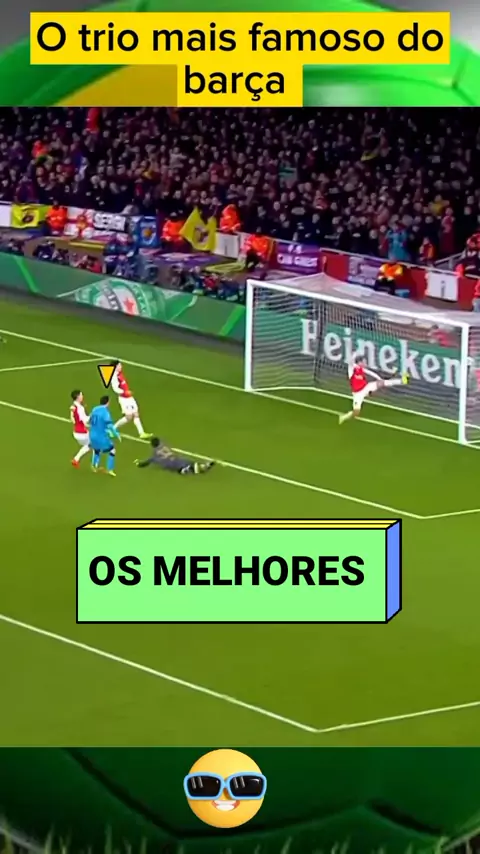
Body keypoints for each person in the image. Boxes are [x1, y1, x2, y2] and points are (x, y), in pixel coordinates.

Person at [339, 358, 408, 425]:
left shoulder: (362, 370)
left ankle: (402, 381)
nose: (365, 364)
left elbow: (371, 373)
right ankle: (343, 417)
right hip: (358, 394)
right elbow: (350, 364)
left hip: (366, 388)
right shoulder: (352, 372)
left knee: (381, 383)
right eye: (363, 362)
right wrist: (355, 360)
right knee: (356, 412)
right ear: (359, 363)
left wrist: (379, 378)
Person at [109, 360, 152, 440]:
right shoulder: (114, 377)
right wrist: (125, 392)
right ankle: (113, 428)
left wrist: (127, 392)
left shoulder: (120, 373)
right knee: (129, 417)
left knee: (136, 413)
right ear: (115, 367)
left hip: (129, 397)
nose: (121, 366)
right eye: (119, 365)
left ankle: (141, 433)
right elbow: (115, 389)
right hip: (124, 399)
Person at [134, 437, 215, 474]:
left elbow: (146, 463)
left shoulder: (154, 454)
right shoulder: (164, 446)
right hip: (176, 459)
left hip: (171, 464)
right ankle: (203, 466)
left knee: (182, 469)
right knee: (189, 463)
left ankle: (189, 470)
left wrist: (138, 464)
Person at [89, 395, 120, 476]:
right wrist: (116, 434)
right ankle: (110, 469)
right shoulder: (105, 412)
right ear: (108, 402)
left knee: (97, 450)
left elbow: (90, 420)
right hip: (101, 437)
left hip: (92, 435)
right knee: (112, 450)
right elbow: (110, 425)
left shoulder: (95, 409)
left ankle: (94, 466)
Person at [70, 389, 91, 468]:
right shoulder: (80, 408)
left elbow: (72, 419)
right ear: (78, 397)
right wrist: (92, 416)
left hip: (76, 432)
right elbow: (85, 420)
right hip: (82, 433)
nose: (82, 396)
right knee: (94, 444)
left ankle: (76, 459)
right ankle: (95, 465)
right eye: (81, 395)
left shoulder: (73, 406)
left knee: (88, 445)